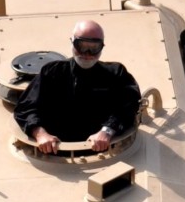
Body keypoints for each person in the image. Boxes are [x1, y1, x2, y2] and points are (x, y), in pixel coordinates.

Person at [15, 20, 140, 154]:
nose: (87, 54)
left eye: (94, 48)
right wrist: (39, 133)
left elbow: (129, 104)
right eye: (81, 46)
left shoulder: (116, 74)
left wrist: (108, 130)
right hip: (54, 154)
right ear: (72, 42)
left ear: (102, 47)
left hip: (102, 152)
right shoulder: (51, 72)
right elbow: (25, 107)